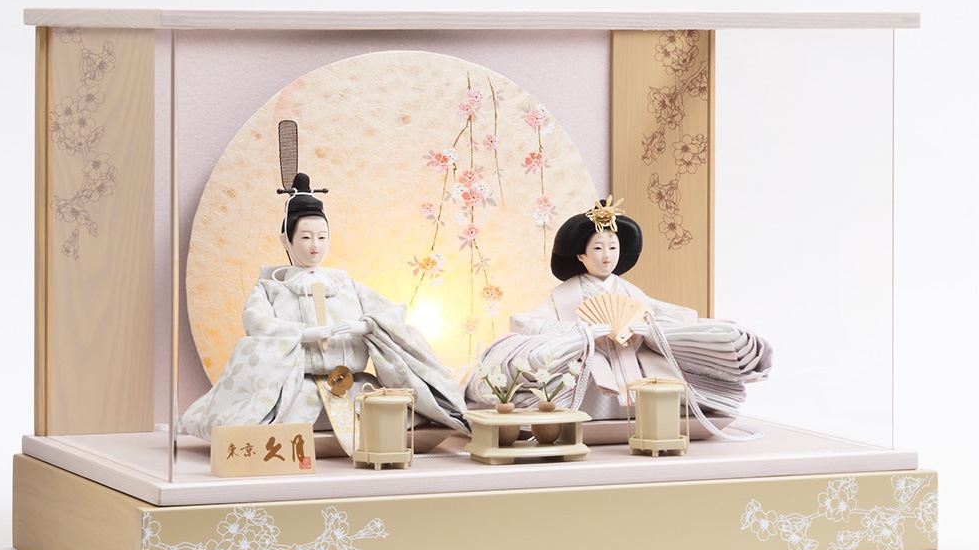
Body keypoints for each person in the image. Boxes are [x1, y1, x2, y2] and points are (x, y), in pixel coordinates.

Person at [180, 174, 469, 449]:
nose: (315, 246)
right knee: (268, 424)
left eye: (322, 237)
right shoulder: (272, 287)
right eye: (306, 237)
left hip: (354, 386)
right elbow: (257, 322)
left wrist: (366, 325)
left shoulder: (344, 283)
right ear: (286, 240)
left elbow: (389, 311)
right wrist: (302, 334)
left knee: (396, 410)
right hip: (298, 390)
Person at [466, 196, 771, 427]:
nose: (606, 256)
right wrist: (580, 333)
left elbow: (680, 314)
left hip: (632, 364)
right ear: (581, 256)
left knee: (661, 392)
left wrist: (649, 331)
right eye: (598, 248)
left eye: (612, 248)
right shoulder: (563, 297)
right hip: (589, 368)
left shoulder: (631, 294)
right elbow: (526, 322)